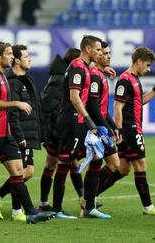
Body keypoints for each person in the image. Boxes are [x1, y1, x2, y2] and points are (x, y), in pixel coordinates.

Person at [0, 41, 55, 224]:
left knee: (18, 171)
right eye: (8, 53)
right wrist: (16, 103)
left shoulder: (3, 76)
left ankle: (30, 212)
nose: (12, 56)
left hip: (6, 133)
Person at [0, 44, 43, 221]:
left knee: (28, 172)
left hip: (30, 132)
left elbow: (35, 109)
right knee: (20, 172)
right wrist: (19, 136)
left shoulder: (27, 79)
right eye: (26, 56)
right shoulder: (11, 81)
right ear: (17, 60)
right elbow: (12, 113)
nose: (30, 59)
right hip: (19, 133)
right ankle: (17, 210)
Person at [113, 47, 155, 216]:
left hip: (133, 128)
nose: (148, 69)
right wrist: (119, 130)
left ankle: (89, 196)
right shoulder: (125, 80)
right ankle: (148, 207)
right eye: (147, 64)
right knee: (141, 165)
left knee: (123, 169)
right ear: (138, 62)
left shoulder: (135, 79)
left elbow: (140, 101)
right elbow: (117, 107)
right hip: (129, 130)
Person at [52, 35, 102, 219]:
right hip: (71, 121)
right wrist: (88, 119)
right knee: (64, 162)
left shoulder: (84, 68)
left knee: (95, 157)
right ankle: (57, 209)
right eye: (97, 49)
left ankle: (88, 205)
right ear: (88, 49)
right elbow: (74, 97)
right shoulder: (77, 67)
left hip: (77, 121)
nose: (100, 53)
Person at [39, 48, 84, 211]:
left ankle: (83, 198)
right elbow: (49, 107)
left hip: (59, 130)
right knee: (58, 164)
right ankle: (48, 203)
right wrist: (55, 131)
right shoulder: (60, 79)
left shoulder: (59, 76)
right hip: (57, 132)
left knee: (69, 163)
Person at [81, 40, 120, 218]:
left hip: (99, 126)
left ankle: (89, 202)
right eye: (104, 53)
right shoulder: (96, 76)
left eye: (108, 53)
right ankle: (89, 201)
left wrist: (113, 126)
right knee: (112, 164)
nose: (108, 56)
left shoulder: (99, 74)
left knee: (99, 164)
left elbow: (103, 110)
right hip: (95, 128)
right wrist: (106, 129)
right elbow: (93, 106)